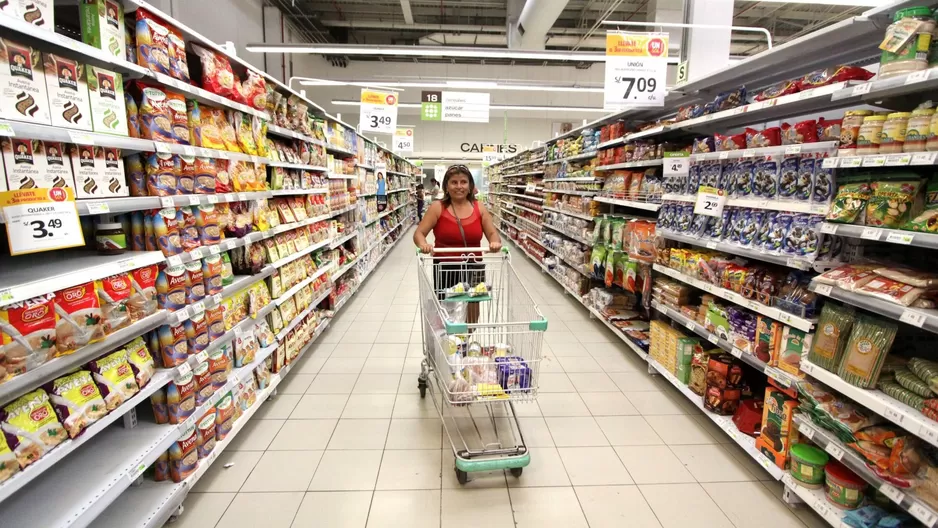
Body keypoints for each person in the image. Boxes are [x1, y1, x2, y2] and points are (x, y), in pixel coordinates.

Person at [414, 165, 502, 324]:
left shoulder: (479, 207)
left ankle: (464, 343)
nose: (459, 186)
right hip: (447, 267)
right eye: (454, 182)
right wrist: (424, 245)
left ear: (470, 186)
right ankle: (452, 344)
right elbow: (419, 234)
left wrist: (494, 242)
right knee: (449, 314)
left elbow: (492, 233)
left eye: (463, 182)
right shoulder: (437, 208)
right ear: (447, 185)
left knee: (472, 316)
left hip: (474, 267)